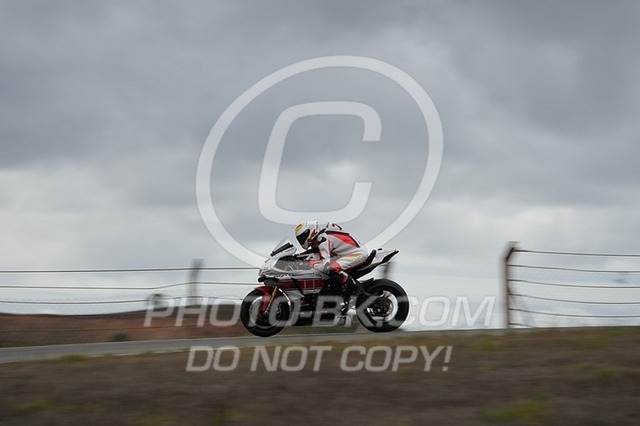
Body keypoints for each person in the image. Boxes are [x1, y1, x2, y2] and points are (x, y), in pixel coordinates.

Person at [294, 220, 369, 297]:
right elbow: (312, 253)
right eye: (300, 238)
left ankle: (357, 289)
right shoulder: (319, 239)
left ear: (311, 231)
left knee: (332, 268)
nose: (302, 240)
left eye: (303, 237)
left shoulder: (322, 239)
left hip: (357, 254)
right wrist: (295, 257)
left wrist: (308, 264)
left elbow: (325, 262)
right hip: (346, 255)